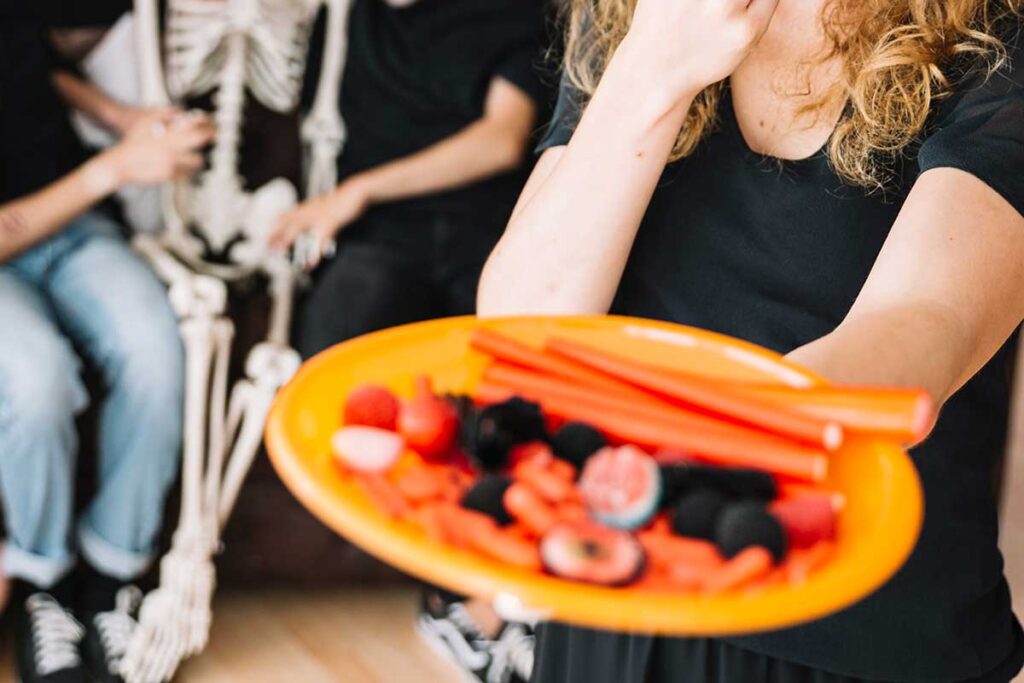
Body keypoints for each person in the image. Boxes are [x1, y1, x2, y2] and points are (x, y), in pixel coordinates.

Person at [478, 0, 1024, 681]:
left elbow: (927, 322)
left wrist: (710, 436)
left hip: (869, 636)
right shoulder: (623, 13)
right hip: (619, 603)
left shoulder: (995, 32)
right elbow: (519, 324)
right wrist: (655, 65)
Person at [271, 4, 549, 681]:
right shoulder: (344, 22)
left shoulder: (511, 14)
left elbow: (501, 138)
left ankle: (488, 603)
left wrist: (357, 191)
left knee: (510, 395)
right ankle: (459, 586)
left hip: (486, 231)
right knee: (330, 372)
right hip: (382, 242)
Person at [0, 4, 215, 681]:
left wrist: (121, 118)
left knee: (158, 353)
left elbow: (30, 64)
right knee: (36, 382)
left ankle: (110, 577)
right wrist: (117, 166)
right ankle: (46, 583)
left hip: (75, 227)